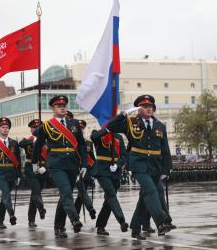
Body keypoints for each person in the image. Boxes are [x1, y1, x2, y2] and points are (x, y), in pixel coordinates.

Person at [106, 95, 174, 240]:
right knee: (150, 191)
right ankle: (161, 222)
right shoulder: (130, 122)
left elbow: (165, 149)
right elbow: (110, 127)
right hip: (138, 163)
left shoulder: (159, 125)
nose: (149, 108)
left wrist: (166, 169)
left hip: (155, 165)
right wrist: (124, 114)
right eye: (145, 106)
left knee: (145, 198)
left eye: (151, 106)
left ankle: (136, 228)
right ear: (138, 109)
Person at [32, 95, 87, 238]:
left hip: (73, 164)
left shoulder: (73, 123)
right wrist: (34, 163)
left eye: (64, 105)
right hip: (56, 164)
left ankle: (59, 227)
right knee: (66, 192)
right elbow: (38, 146)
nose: (62, 108)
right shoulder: (46, 126)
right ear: (53, 109)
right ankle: (75, 220)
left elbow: (81, 144)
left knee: (64, 196)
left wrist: (84, 164)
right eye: (58, 106)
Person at [91, 128, 129, 236]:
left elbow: (124, 155)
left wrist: (118, 165)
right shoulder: (98, 134)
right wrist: (106, 130)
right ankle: (122, 221)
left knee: (108, 201)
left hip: (115, 171)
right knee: (111, 195)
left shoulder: (118, 137)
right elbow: (93, 137)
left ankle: (100, 226)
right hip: (102, 170)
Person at [0, 117, 22, 229]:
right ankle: (11, 215)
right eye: (3, 127)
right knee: (6, 194)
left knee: (5, 198)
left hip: (11, 173)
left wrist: (18, 175)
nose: (5, 129)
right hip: (0, 173)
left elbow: (18, 160)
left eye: (7, 127)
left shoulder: (14, 143)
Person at [19, 119, 47, 228]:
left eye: (37, 127)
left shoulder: (47, 141)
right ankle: (41, 208)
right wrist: (34, 141)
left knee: (34, 195)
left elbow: (50, 155)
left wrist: (45, 167)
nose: (35, 129)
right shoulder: (29, 140)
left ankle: (31, 220)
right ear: (31, 129)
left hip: (42, 169)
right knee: (36, 191)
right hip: (30, 168)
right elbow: (20, 143)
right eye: (33, 128)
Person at [72, 119, 96, 221]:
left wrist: (93, 172)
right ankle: (90, 208)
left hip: (85, 171)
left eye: (82, 128)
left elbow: (92, 158)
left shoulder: (88, 142)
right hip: (74, 169)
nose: (81, 130)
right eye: (79, 128)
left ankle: (75, 215)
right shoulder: (70, 141)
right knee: (82, 192)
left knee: (81, 195)